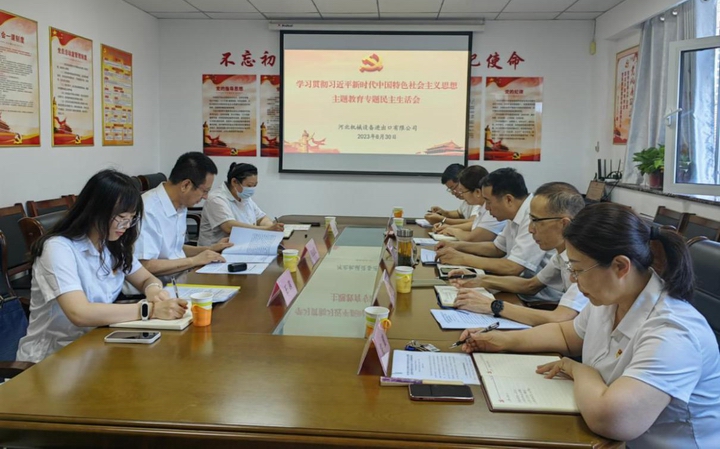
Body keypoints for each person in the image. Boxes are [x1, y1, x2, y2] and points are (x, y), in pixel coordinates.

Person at [459, 203, 720, 448]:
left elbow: (614, 420)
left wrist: (579, 369)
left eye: (578, 270)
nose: (573, 279)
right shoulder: (612, 298)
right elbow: (566, 334)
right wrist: (503, 340)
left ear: (620, 266)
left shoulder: (673, 333)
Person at [16, 170, 188, 363]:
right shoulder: (58, 249)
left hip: (97, 345)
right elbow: (79, 313)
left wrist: (153, 290)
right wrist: (150, 310)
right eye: (121, 217)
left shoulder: (112, 244)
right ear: (95, 210)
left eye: (131, 218)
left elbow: (146, 278)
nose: (126, 225)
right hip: (52, 358)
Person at [451, 182, 589, 325]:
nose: (530, 229)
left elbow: (559, 318)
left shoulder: (586, 260)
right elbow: (530, 285)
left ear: (564, 224)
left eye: (536, 221)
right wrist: (480, 279)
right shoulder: (562, 254)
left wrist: (492, 305)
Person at [435, 168, 551, 278]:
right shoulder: (514, 213)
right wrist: (456, 246)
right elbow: (496, 248)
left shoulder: (533, 215)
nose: (487, 207)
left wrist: (463, 258)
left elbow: (513, 267)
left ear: (508, 200)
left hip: (536, 290)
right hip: (517, 283)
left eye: (488, 202)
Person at [135, 152, 232, 276]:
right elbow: (144, 265)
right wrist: (194, 261)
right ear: (185, 185)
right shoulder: (148, 210)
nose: (206, 197)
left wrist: (209, 249)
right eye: (205, 191)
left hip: (181, 277)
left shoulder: (180, 204)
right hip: (158, 285)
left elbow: (174, 250)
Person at [198, 163, 283, 247]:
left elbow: (262, 218)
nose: (252, 189)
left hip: (242, 245)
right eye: (249, 185)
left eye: (254, 185)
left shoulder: (244, 196)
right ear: (234, 182)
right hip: (215, 251)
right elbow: (229, 227)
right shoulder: (216, 199)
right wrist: (266, 229)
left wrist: (271, 227)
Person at [433, 165, 505, 242]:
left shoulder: (492, 210)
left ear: (477, 192)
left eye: (463, 191)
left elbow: (472, 238)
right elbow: (474, 226)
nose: (461, 194)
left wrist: (452, 229)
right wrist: (449, 227)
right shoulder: (482, 207)